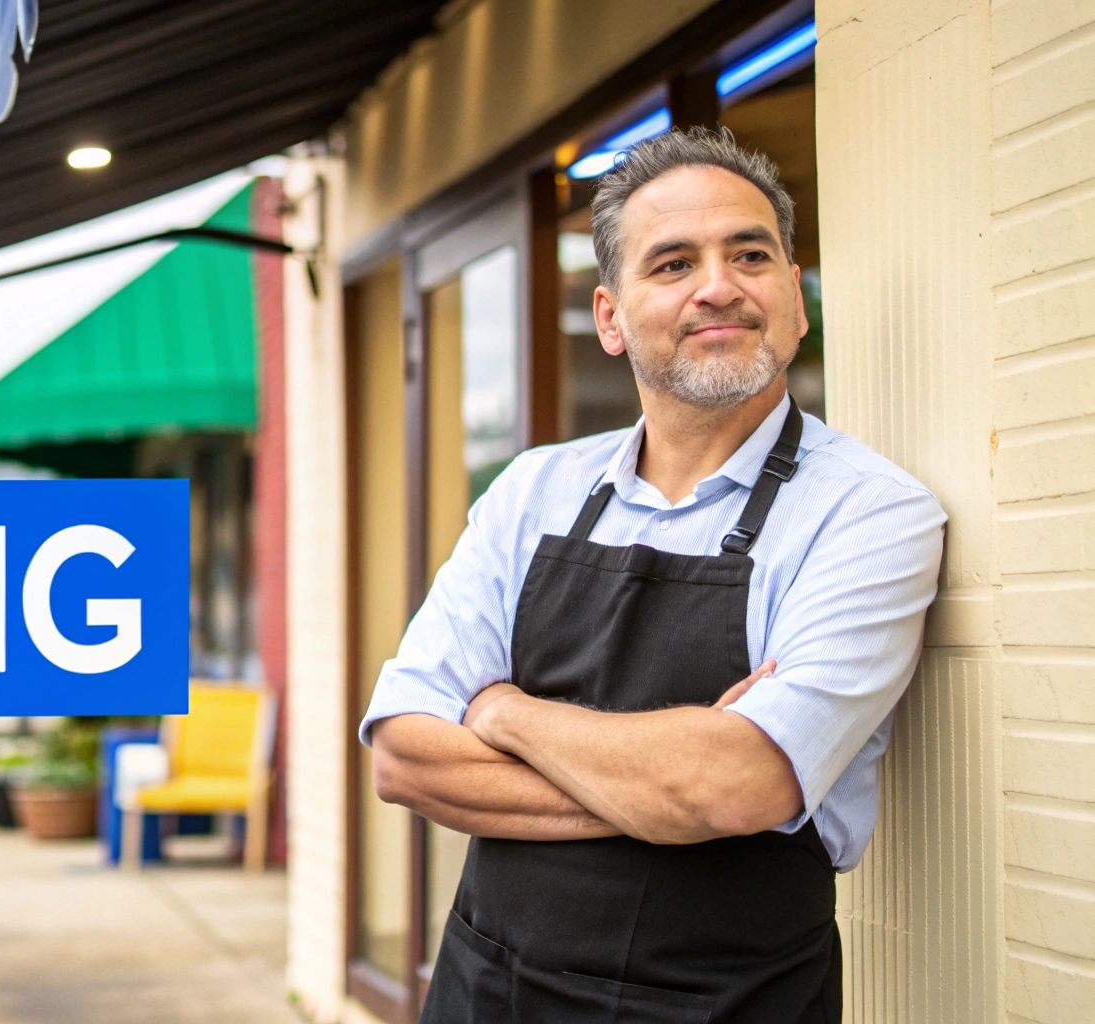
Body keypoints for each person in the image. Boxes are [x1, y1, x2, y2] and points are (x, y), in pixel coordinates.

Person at [361, 126, 947, 1022]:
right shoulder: (533, 490)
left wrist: (501, 711)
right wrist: (668, 786)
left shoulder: (870, 514)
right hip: (490, 992)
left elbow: (735, 783)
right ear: (610, 317)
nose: (719, 286)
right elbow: (405, 757)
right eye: (672, 264)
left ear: (794, 297)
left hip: (728, 1003)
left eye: (750, 254)